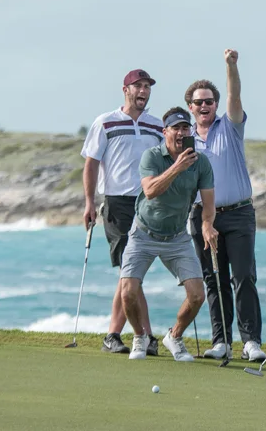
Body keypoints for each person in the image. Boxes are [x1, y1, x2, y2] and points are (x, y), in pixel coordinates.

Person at [117, 107, 219, 362]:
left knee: (197, 295)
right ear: (165, 132)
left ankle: (174, 336)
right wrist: (177, 166)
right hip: (143, 233)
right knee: (127, 291)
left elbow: (208, 205)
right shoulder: (151, 156)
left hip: (176, 237)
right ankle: (140, 336)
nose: (182, 133)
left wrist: (207, 225)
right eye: (176, 128)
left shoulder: (201, 162)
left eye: (186, 128)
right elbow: (150, 191)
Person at [185, 49, 266, 362]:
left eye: (209, 101)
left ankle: (251, 342)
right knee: (213, 279)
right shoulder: (186, 138)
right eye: (198, 102)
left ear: (215, 105)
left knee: (244, 276)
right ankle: (221, 341)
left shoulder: (230, 126)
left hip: (239, 213)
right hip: (202, 217)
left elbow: (235, 93)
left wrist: (231, 65)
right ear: (190, 107)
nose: (204, 106)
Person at [81, 69, 164, 356]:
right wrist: (90, 203)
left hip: (148, 204)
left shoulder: (157, 125)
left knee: (133, 272)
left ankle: (118, 335)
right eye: (138, 86)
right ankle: (142, 335)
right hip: (116, 204)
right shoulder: (105, 122)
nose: (143, 91)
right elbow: (91, 163)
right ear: (125, 90)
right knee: (130, 270)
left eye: (147, 87)